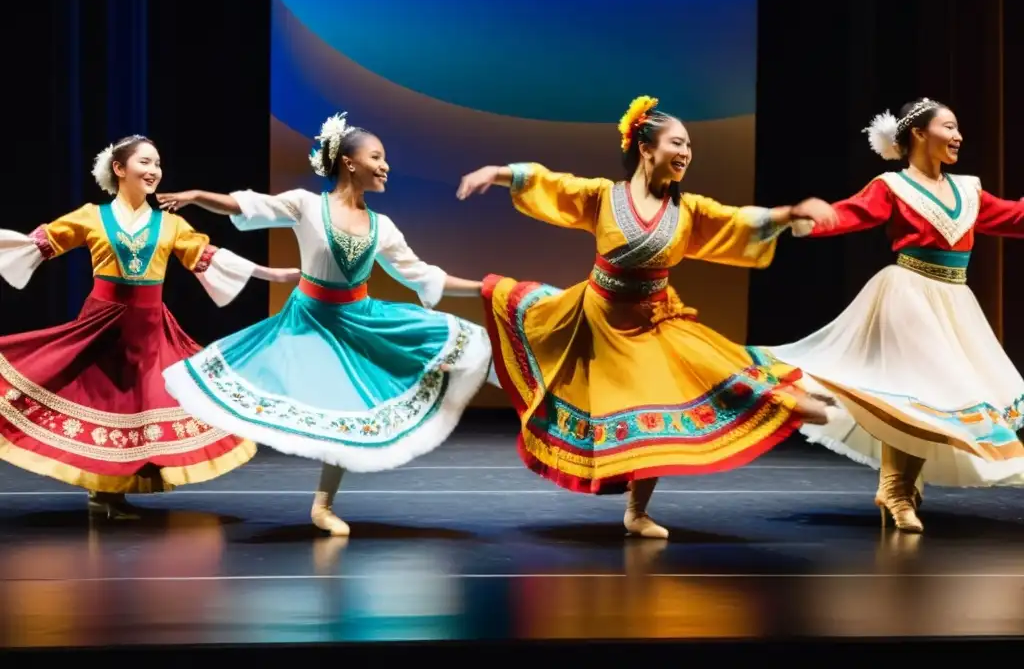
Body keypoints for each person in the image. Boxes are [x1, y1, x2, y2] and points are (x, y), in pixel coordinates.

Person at [455, 95, 840, 539]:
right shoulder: (604, 197)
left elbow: (734, 222)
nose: (686, 153)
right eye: (677, 143)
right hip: (598, 319)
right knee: (622, 402)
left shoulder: (687, 210)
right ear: (646, 148)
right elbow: (554, 185)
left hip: (654, 318)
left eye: (690, 146)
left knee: (707, 371)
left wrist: (789, 214)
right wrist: (499, 173)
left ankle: (645, 506)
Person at [158, 112, 493, 537]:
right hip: (310, 320)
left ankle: (323, 506)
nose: (386, 165)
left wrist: (486, 288)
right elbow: (246, 205)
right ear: (350, 163)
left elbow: (424, 276)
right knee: (322, 401)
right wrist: (197, 195)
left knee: (452, 346)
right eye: (377, 156)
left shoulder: (382, 227)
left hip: (360, 320)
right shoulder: (306, 204)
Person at [0, 135, 299, 519]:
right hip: (103, 325)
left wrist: (270, 274)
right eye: (144, 162)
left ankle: (117, 490)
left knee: (146, 407)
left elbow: (207, 257)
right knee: (106, 405)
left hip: (149, 330)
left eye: (157, 163)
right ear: (119, 169)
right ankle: (103, 492)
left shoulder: (171, 223)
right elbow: (36, 244)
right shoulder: (92, 216)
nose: (154, 170)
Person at [765, 97, 1024, 533]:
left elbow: (1013, 216)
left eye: (958, 127)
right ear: (919, 134)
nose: (959, 135)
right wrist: (813, 220)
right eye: (949, 126)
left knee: (934, 397)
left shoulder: (968, 190)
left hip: (954, 301)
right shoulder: (893, 187)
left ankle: (900, 485)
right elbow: (851, 213)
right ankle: (896, 488)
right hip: (907, 294)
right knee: (916, 388)